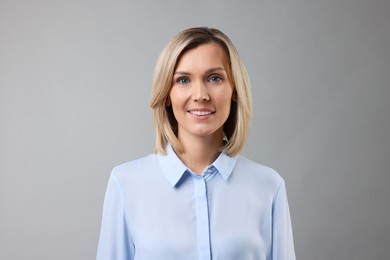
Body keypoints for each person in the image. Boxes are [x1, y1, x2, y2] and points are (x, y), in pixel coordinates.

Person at [96, 27, 296, 260]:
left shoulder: (268, 186)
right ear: (166, 94)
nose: (200, 94)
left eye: (215, 78)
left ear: (234, 90)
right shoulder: (126, 183)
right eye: (183, 80)